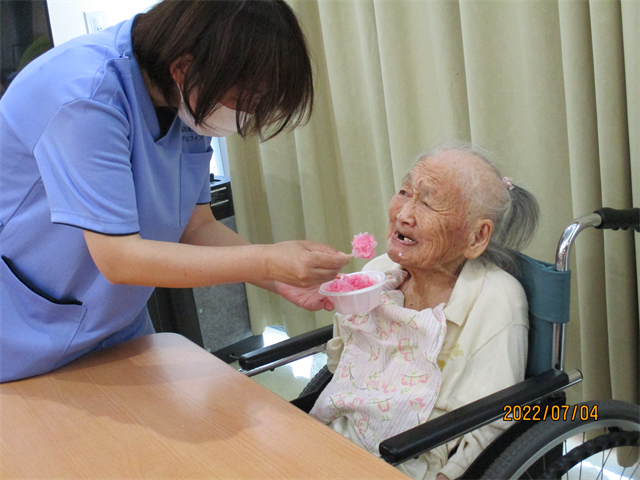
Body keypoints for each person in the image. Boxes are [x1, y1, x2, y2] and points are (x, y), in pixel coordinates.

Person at [0, 0, 350, 383]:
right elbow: (120, 259)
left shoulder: (182, 100)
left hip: (111, 323)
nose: (248, 114)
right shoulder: (85, 95)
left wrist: (282, 280)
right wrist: (268, 260)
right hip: (20, 331)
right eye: (244, 99)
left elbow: (196, 227)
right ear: (183, 68)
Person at [310, 142, 540, 480]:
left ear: (476, 237)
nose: (403, 214)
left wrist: (450, 475)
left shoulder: (497, 301)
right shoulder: (378, 272)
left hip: (415, 464)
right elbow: (341, 365)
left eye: (429, 203)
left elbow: (494, 422)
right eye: (404, 192)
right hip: (333, 440)